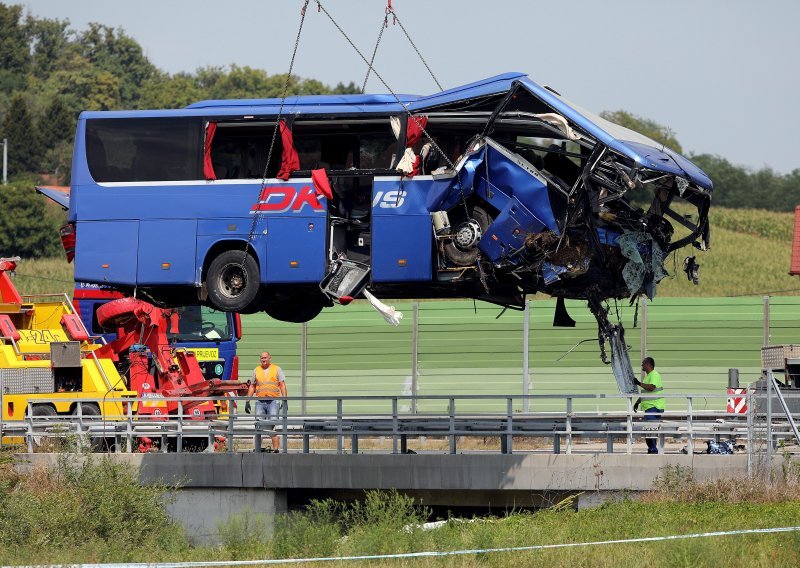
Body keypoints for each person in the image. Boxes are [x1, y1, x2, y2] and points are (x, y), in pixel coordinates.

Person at [245, 352, 287, 452]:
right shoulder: (256, 370)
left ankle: (276, 449)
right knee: (258, 425)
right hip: (260, 401)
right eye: (261, 358)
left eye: (265, 358)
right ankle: (258, 449)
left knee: (272, 425)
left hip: (273, 401)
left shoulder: (277, 369)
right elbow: (252, 386)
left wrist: (285, 400)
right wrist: (247, 401)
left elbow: (282, 385)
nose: (263, 359)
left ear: (269, 358)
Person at [633, 357, 665, 454]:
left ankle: (653, 449)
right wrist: (637, 402)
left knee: (649, 428)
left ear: (648, 364)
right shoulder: (647, 376)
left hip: (654, 407)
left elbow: (651, 388)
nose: (642, 365)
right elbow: (646, 392)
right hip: (650, 407)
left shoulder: (654, 375)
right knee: (649, 428)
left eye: (643, 363)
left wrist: (638, 383)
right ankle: (652, 448)